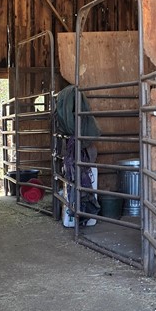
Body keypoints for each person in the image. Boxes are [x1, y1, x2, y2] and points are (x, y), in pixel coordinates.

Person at [54, 85, 101, 227]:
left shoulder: (76, 122)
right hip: (80, 150)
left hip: (80, 150)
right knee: (78, 176)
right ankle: (80, 210)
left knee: (78, 176)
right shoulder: (80, 122)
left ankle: (81, 210)